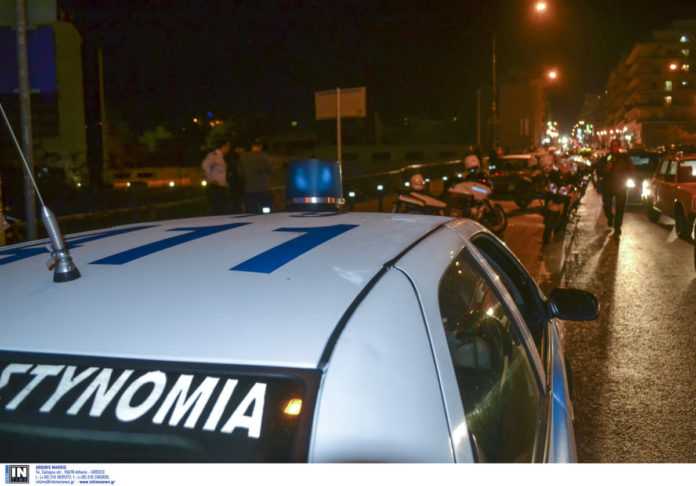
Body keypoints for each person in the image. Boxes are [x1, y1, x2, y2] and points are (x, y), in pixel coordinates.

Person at [597, 139, 635, 237]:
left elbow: (631, 169)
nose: (615, 147)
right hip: (608, 186)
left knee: (620, 208)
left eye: (617, 145)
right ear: (610, 147)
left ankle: (617, 227)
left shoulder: (624, 158)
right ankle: (610, 217)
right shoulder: (605, 158)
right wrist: (607, 168)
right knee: (607, 206)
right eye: (613, 145)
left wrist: (629, 177)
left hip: (620, 186)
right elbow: (599, 171)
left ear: (619, 147)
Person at [201, 141, 231, 215]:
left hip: (222, 186)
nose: (228, 149)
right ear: (223, 146)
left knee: (222, 209)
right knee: (217, 209)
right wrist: (211, 179)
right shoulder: (214, 155)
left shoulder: (222, 156)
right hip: (216, 187)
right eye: (227, 147)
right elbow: (205, 166)